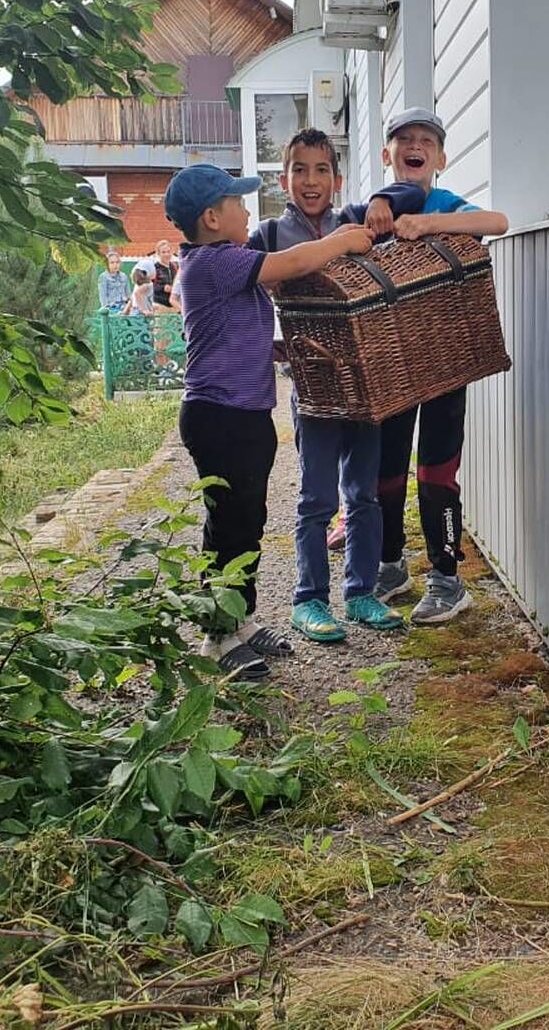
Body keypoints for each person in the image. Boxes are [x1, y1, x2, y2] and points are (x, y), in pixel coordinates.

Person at [167, 162, 375, 679]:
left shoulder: (221, 262)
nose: (246, 210)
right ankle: (217, 637)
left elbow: (240, 334)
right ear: (213, 218)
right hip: (220, 417)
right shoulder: (217, 262)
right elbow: (297, 260)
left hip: (244, 414)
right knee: (229, 528)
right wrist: (344, 239)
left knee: (249, 522)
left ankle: (241, 621)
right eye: (238, 203)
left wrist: (284, 348)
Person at [247, 128, 425, 644]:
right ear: (283, 179)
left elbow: (413, 195)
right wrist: (271, 345)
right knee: (316, 497)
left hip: (366, 386)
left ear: (337, 178)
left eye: (321, 170)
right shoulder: (268, 236)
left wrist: (382, 202)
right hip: (314, 390)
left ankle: (362, 592)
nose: (310, 180)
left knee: (364, 495)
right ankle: (309, 600)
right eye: (299, 170)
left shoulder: (355, 220)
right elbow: (243, 287)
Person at [348, 107, 508, 623]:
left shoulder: (441, 202)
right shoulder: (370, 213)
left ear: (440, 157)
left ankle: (446, 577)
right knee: (386, 471)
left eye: (426, 141)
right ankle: (391, 565)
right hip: (389, 363)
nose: (415, 146)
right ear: (386, 154)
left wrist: (427, 223)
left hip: (443, 359)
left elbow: (496, 222)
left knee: (437, 469)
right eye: (403, 139)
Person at [151, 240, 177, 311]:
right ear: (158, 253)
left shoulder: (175, 267)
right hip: (159, 305)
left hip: (175, 306)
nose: (166, 254)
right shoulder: (154, 268)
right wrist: (163, 288)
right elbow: (149, 287)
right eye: (163, 252)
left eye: (168, 251)